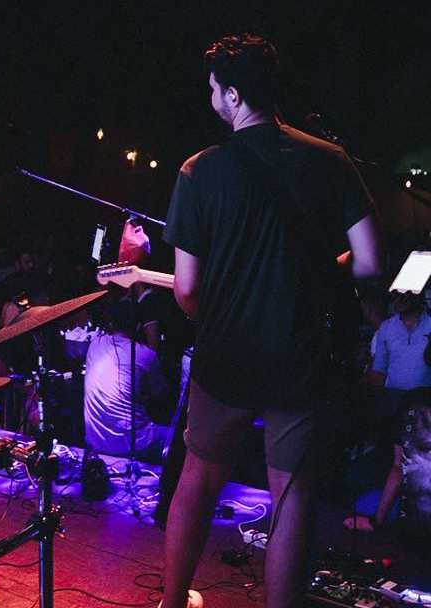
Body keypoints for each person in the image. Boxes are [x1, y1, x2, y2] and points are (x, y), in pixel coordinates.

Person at [160, 34, 381, 608]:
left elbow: (187, 289)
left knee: (198, 480)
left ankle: (173, 600)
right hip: (299, 356)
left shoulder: (199, 171)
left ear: (234, 95)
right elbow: (370, 262)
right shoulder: (330, 160)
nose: (211, 98)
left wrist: (219, 318)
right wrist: (324, 270)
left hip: (226, 354)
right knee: (290, 496)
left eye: (214, 89)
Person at [344, 292, 431, 532]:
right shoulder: (387, 328)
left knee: (415, 468)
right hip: (393, 403)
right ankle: (388, 515)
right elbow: (378, 373)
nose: (400, 297)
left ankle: (393, 518)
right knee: (395, 464)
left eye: (407, 292)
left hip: (425, 410)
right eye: (396, 293)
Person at [83, 300, 171, 460]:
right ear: (138, 327)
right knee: (175, 437)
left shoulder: (95, 344)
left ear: (111, 322)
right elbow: (161, 395)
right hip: (133, 444)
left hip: (95, 441)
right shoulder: (145, 354)